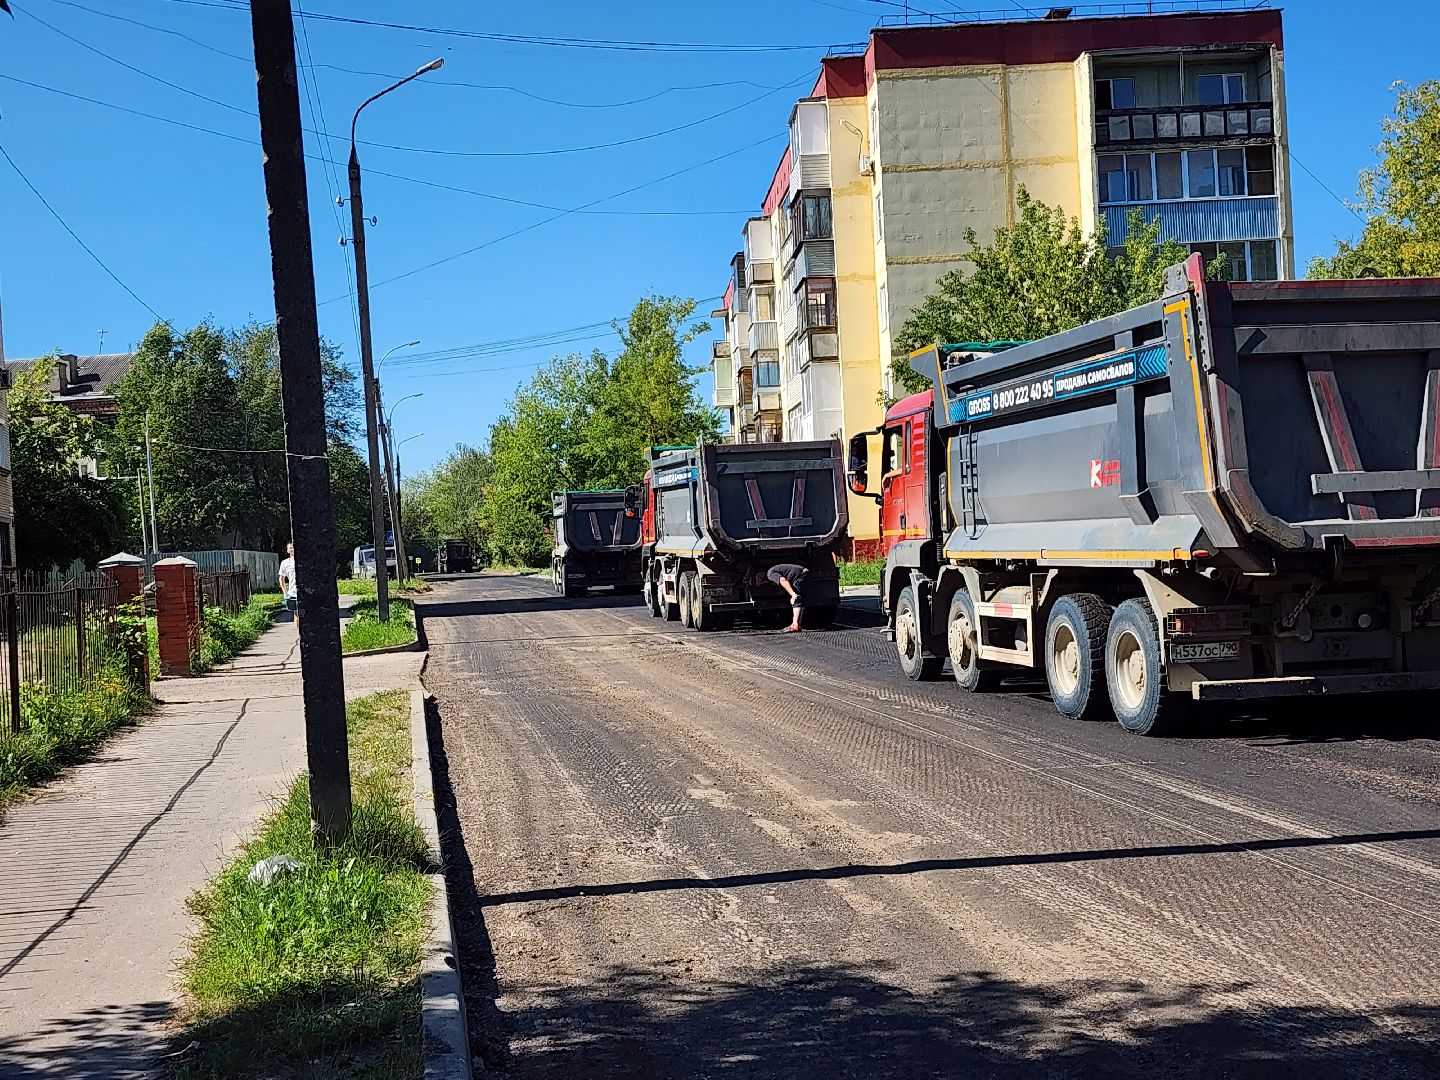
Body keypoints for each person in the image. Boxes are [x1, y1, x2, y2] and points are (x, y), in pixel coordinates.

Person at [766, 563, 809, 633]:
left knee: (796, 599)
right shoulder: (775, 569)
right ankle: (796, 624)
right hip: (803, 572)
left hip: (800, 575)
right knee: (799, 600)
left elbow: (783, 580)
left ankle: (796, 626)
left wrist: (792, 594)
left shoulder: (770, 574)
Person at [278, 541, 298, 624]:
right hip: (293, 593)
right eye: (290, 548)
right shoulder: (285, 563)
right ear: (287, 550)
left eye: (293, 547)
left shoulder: (305, 561)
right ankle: (300, 634)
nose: (292, 549)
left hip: (305, 592)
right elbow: (281, 578)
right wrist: (285, 593)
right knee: (297, 615)